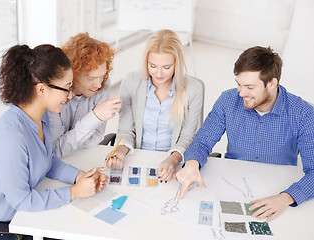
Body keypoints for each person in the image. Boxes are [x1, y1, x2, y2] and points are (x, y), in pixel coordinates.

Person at [176, 46, 314, 221]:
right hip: (232, 183)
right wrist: (192, 163)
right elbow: (203, 141)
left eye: (249, 87)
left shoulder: (304, 114)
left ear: (272, 83)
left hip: (278, 187)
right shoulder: (227, 100)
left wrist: (285, 198)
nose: (241, 93)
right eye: (238, 84)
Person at [0, 44, 108, 239]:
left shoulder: (41, 116)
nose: (69, 96)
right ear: (42, 89)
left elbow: (47, 159)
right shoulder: (11, 136)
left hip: (26, 216)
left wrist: (78, 177)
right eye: (66, 88)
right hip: (3, 227)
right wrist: (74, 192)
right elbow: (22, 200)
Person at [106, 29, 204, 182]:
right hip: (137, 157)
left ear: (176, 64)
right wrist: (120, 150)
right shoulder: (131, 82)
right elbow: (126, 130)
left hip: (174, 160)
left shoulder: (193, 88)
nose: (159, 74)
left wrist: (173, 160)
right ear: (146, 62)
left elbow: (188, 137)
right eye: (153, 66)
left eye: (166, 67)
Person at [48, 33, 121, 158]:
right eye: (90, 78)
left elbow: (96, 139)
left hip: (84, 158)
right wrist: (95, 117)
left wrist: (69, 143)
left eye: (102, 76)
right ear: (73, 74)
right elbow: (56, 150)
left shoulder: (103, 84)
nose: (98, 85)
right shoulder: (54, 94)